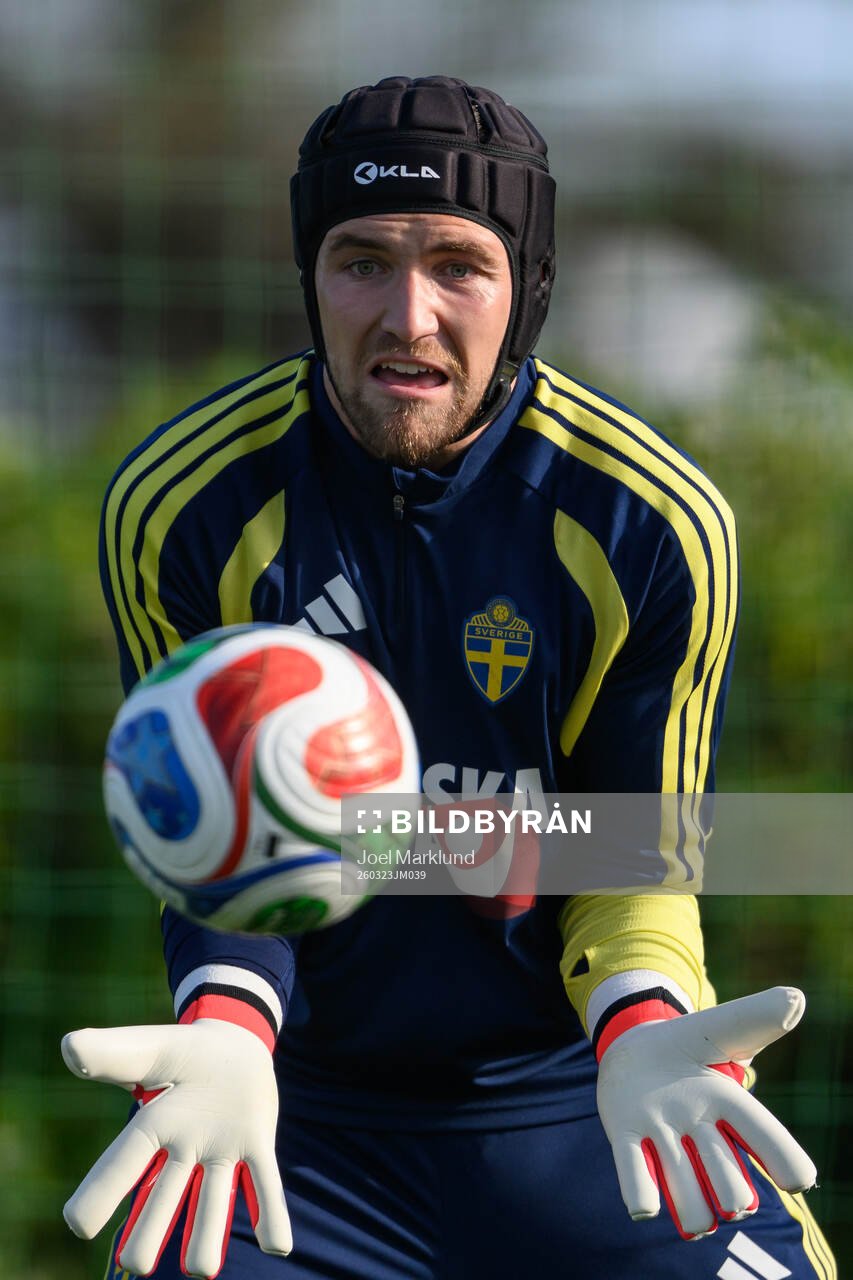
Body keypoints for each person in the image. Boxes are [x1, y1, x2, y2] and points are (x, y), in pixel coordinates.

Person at [62, 76, 835, 1280]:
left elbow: (638, 846)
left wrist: (640, 1019)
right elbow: (221, 835)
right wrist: (222, 1021)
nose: (407, 317)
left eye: (457, 267)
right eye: (360, 260)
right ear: (307, 277)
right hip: (290, 1119)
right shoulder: (183, 507)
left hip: (585, 1107)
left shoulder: (652, 522)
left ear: (525, 288)